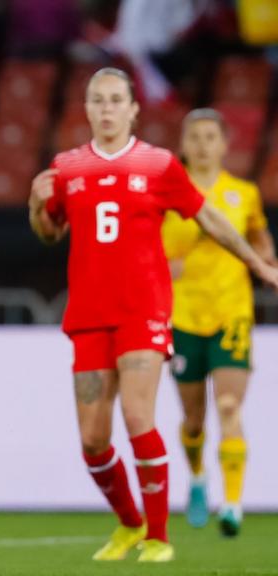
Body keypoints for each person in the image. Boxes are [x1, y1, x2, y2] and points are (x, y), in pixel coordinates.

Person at [28, 68, 278, 563]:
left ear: (133, 108)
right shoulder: (68, 167)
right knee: (93, 441)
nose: (106, 109)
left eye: (115, 100)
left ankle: (159, 536)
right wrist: (36, 207)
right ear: (88, 107)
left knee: (138, 415)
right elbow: (48, 234)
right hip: (89, 314)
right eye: (97, 100)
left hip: (143, 310)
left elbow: (207, 216)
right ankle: (129, 525)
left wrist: (257, 263)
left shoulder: (160, 164)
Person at [161, 108, 276, 536]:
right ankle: (196, 479)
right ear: (185, 144)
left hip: (232, 314)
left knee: (229, 407)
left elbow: (260, 236)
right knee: (194, 419)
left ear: (225, 144)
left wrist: (267, 258)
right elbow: (147, 246)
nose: (204, 144)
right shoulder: (168, 193)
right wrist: (162, 264)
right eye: (196, 136)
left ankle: (232, 504)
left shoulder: (242, 193)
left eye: (212, 136)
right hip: (183, 317)